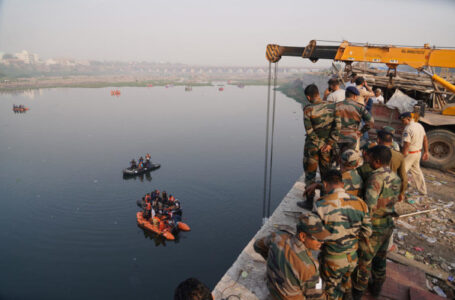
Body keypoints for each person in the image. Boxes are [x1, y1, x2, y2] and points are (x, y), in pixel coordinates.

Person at [352, 145, 401, 299]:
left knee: (364, 262)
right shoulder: (395, 177)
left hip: (374, 228)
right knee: (380, 259)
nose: (368, 161)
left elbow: (369, 207)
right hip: (388, 224)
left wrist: (362, 229)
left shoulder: (375, 178)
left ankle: (358, 293)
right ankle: (377, 289)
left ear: (378, 161)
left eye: (371, 159)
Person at [314, 169, 372, 300]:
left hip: (332, 260)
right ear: (342, 183)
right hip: (352, 257)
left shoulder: (321, 205)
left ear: (325, 183)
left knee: (331, 293)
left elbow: (315, 236)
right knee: (346, 283)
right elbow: (367, 231)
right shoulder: (360, 203)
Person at [253, 213, 330, 300]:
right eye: (318, 239)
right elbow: (317, 297)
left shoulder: (278, 236)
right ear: (303, 236)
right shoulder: (309, 268)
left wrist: (272, 260)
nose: (322, 242)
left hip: (273, 289)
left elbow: (257, 246)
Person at [301, 84, 341, 210]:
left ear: (308, 96)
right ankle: (324, 204)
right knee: (326, 175)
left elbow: (309, 131)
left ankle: (309, 203)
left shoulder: (308, 110)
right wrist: (329, 144)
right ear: (318, 93)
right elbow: (337, 127)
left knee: (310, 175)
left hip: (312, 148)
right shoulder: (333, 106)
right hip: (327, 149)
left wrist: (319, 144)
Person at [336, 86, 374, 154]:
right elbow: (371, 122)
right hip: (352, 137)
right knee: (348, 159)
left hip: (337, 137)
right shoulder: (360, 107)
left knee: (335, 159)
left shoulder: (336, 105)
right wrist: (362, 131)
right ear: (354, 96)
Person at [400, 112, 429, 196]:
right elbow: (425, 139)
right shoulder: (419, 125)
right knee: (417, 172)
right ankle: (423, 191)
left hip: (410, 154)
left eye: (403, 120)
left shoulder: (408, 129)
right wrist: (426, 152)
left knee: (401, 171)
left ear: (408, 119)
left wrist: (403, 155)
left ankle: (398, 190)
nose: (402, 122)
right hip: (418, 153)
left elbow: (406, 144)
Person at [377, 129, 407, 201]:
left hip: (375, 186)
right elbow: (404, 178)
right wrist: (402, 193)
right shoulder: (399, 156)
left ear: (378, 140)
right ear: (391, 142)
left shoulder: (373, 152)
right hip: (389, 189)